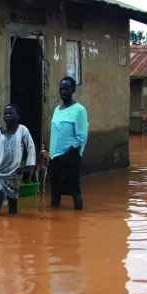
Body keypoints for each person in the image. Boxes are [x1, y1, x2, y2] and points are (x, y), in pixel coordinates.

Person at [0, 104, 36, 216]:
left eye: (11, 113)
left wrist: (28, 167)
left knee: (13, 202)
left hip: (14, 174)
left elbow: (31, 147)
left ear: (18, 116)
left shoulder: (23, 130)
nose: (7, 115)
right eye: (5, 113)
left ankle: (13, 229)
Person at [49, 76, 89, 210]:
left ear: (73, 90)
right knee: (55, 190)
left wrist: (68, 153)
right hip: (55, 157)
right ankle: (54, 221)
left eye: (66, 89)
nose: (63, 92)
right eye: (61, 89)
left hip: (70, 156)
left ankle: (78, 220)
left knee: (74, 190)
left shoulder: (79, 110)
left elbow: (81, 136)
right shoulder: (56, 110)